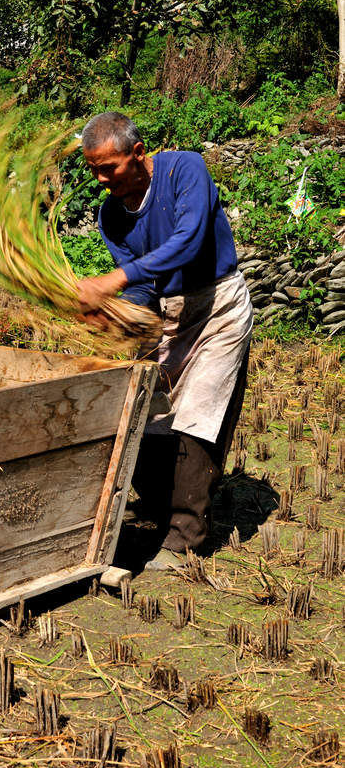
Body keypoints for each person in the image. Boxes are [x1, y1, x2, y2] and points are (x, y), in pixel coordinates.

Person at [77, 111, 253, 570]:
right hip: (170, 316)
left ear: (138, 154)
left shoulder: (183, 170)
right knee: (150, 413)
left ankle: (185, 538)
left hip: (217, 307)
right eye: (92, 168)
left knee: (197, 413)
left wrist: (113, 280)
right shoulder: (112, 215)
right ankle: (164, 509)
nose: (99, 179)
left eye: (107, 167)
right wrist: (121, 312)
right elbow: (143, 286)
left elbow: (189, 240)